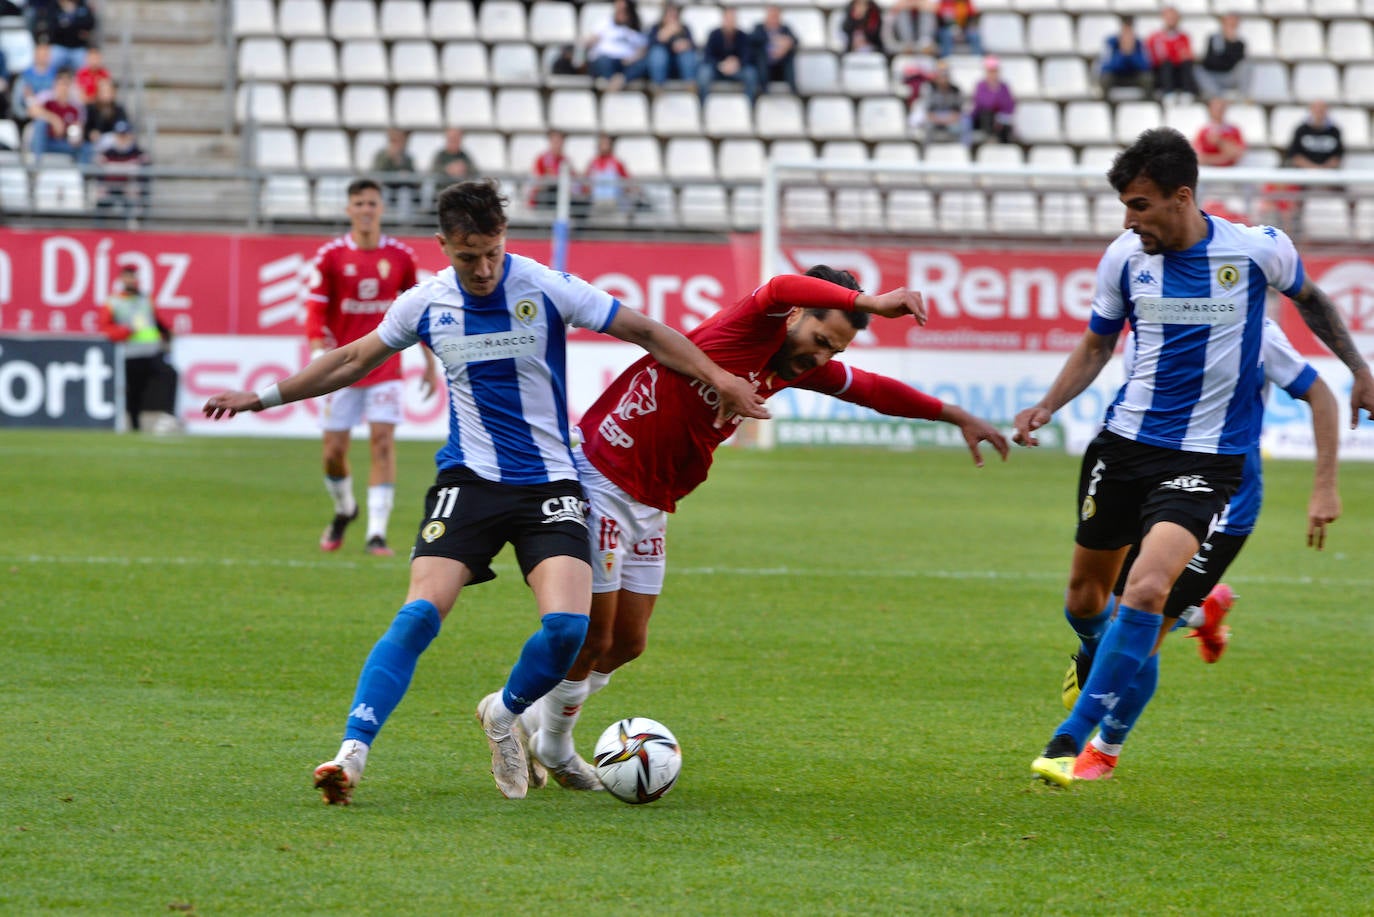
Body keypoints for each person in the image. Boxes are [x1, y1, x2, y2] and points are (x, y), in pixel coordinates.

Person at [202, 179, 769, 804]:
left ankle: (505, 713)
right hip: (468, 483)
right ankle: (350, 755)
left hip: (551, 484)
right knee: (419, 613)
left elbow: (648, 332)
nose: (482, 268)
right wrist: (262, 396)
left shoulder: (547, 286)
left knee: (567, 633)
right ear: (443, 245)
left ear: (505, 240)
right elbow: (350, 360)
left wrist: (720, 378)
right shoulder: (425, 303)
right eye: (467, 255)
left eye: (492, 252)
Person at [519, 266, 1011, 788]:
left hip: (653, 499)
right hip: (603, 476)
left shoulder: (797, 365)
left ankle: (525, 716)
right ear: (797, 315)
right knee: (594, 636)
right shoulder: (753, 327)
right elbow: (779, 285)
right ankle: (554, 746)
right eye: (821, 339)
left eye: (834, 351)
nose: (821, 357)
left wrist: (955, 414)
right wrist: (871, 302)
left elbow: (869, 389)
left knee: (629, 643)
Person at [1013, 127, 1374, 788]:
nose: (1130, 218)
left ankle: (1076, 736)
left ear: (1182, 196)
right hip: (1123, 447)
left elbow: (1314, 305)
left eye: (1141, 204)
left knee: (1146, 592)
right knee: (1085, 601)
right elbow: (1096, 346)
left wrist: (1358, 368)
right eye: (1125, 204)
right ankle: (1108, 659)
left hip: (1208, 465)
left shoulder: (1258, 251)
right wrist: (1048, 404)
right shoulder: (1123, 257)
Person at [1068, 318, 1341, 781]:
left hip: (1224, 498)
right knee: (1119, 613)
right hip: (1155, 487)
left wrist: (1324, 486)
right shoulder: (1148, 326)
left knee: (1142, 635)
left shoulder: (1255, 327)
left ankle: (1103, 751)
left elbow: (1317, 390)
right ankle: (1201, 613)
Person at [305, 177, 438, 557]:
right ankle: (345, 508)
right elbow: (315, 310)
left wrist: (429, 363)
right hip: (341, 367)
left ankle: (376, 533)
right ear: (349, 209)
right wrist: (318, 352)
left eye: (372, 204)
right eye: (359, 203)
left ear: (381, 209)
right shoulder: (330, 256)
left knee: (382, 444)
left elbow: (418, 314)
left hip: (384, 367)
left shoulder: (400, 257)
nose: (366, 210)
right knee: (333, 450)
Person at [99, 265, 180, 432]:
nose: (130, 280)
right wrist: (126, 332)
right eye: (127, 277)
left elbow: (155, 320)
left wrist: (167, 332)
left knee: (170, 374)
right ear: (121, 279)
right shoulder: (113, 301)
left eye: (133, 277)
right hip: (131, 354)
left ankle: (169, 415)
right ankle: (135, 427)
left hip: (152, 351)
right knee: (135, 391)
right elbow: (106, 328)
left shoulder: (145, 298)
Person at [697, 7, 760, 105]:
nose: (730, 22)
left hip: (737, 70)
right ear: (723, 20)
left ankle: (750, 106)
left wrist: (737, 63)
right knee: (704, 73)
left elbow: (748, 55)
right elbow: (707, 55)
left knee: (751, 73)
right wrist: (720, 64)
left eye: (732, 19)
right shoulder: (714, 34)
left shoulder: (742, 36)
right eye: (728, 19)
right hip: (718, 69)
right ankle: (702, 105)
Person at [584, 0, 648, 92]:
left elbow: (643, 49)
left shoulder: (635, 30)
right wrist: (590, 41)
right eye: (618, 10)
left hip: (626, 63)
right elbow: (590, 41)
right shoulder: (605, 23)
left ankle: (621, 80)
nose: (620, 13)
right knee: (603, 60)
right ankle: (614, 81)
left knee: (644, 64)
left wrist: (633, 58)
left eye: (624, 11)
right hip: (607, 60)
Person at [27, 66, 88, 162]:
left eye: (66, 84)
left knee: (86, 148)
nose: (63, 87)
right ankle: (36, 166)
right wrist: (54, 119)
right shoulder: (47, 98)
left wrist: (75, 134)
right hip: (45, 141)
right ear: (55, 84)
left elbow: (79, 127)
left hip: (63, 142)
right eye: (61, 83)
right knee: (40, 123)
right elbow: (32, 111)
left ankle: (83, 175)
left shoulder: (75, 106)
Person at [93, 119, 150, 216]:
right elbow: (98, 164)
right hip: (111, 184)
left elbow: (143, 167)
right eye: (119, 136)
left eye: (124, 135)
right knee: (100, 192)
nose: (122, 139)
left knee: (134, 191)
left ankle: (133, 224)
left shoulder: (137, 152)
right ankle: (101, 225)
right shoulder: (108, 152)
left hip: (128, 185)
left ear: (130, 136)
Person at [1144, 5, 1198, 100]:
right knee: (1166, 64)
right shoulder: (1155, 37)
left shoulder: (1184, 37)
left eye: (1174, 18)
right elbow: (1157, 58)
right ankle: (1167, 93)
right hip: (1162, 73)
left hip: (1178, 72)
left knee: (1186, 64)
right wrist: (1176, 55)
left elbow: (1187, 56)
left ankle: (1187, 92)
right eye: (1169, 18)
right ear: (1163, 18)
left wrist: (1174, 55)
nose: (1171, 20)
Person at [643, 3, 697, 89]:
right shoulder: (656, 28)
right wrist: (665, 34)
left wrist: (685, 45)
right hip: (660, 66)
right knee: (658, 53)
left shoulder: (684, 29)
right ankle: (657, 87)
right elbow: (649, 45)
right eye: (670, 15)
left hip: (679, 65)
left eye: (675, 16)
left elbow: (693, 45)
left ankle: (690, 86)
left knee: (687, 55)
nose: (672, 18)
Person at [909, 58, 963, 143]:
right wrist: (940, 120)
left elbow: (957, 113)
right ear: (937, 75)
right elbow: (928, 113)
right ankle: (927, 152)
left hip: (949, 118)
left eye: (945, 73)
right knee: (928, 127)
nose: (943, 77)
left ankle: (959, 151)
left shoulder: (955, 90)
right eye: (941, 73)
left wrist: (946, 120)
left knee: (960, 127)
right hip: (934, 118)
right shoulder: (929, 89)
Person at [964, 55, 1014, 146]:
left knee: (1005, 125)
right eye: (990, 71)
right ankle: (989, 138)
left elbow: (1009, 106)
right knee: (987, 114)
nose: (993, 74)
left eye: (995, 71)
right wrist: (996, 95)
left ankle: (1004, 148)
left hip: (998, 120)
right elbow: (982, 103)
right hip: (980, 119)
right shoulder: (981, 85)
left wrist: (998, 114)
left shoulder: (1004, 87)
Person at [1195, 13, 1247, 101]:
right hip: (1212, 76)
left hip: (1229, 77)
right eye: (1228, 24)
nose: (1230, 27)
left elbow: (1234, 63)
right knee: (1197, 70)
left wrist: (1230, 43)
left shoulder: (1239, 43)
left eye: (1233, 25)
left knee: (1246, 65)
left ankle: (1243, 95)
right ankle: (1218, 96)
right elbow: (1209, 61)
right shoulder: (1213, 38)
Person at [370, 127, 420, 218]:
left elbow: (414, 177)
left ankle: (403, 223)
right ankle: (382, 219)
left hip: (402, 188)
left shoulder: (407, 157)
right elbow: (377, 172)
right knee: (384, 193)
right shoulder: (381, 155)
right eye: (393, 141)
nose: (397, 144)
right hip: (385, 187)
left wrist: (404, 171)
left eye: (399, 141)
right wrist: (389, 158)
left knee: (404, 194)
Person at [1096, 20, 1152, 98]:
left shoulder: (1139, 44)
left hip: (1134, 77)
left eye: (1130, 35)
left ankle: (1147, 101)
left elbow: (1146, 66)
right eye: (1125, 34)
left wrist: (1131, 55)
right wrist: (1122, 55)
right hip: (1116, 77)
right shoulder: (1111, 44)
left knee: (1147, 78)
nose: (1127, 38)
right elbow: (1104, 67)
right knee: (1105, 78)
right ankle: (1105, 102)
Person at [37, 0, 95, 74]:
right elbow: (53, 27)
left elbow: (90, 23)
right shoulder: (55, 5)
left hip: (78, 47)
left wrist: (69, 20)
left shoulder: (82, 4)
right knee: (51, 65)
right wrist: (76, 26)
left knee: (84, 69)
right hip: (59, 46)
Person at [751, 5, 798, 95]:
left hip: (780, 67)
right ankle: (764, 89)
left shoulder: (785, 29)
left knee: (790, 55)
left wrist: (787, 44)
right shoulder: (759, 28)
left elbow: (795, 40)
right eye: (771, 16)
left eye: (776, 16)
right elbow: (753, 39)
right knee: (761, 56)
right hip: (764, 67)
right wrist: (772, 41)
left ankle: (793, 89)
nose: (773, 19)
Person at [1285, 99, 1343, 172]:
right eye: (1317, 109)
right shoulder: (1301, 130)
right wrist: (1312, 168)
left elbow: (1338, 156)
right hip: (1303, 173)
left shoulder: (1335, 131)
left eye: (1322, 109)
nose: (1319, 112)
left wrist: (1323, 169)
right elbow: (1294, 155)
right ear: (1311, 110)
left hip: (1328, 174)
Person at [585, 132, 636, 212]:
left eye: (606, 143)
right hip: (596, 203)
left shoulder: (617, 163)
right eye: (602, 143)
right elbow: (586, 183)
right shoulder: (593, 163)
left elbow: (627, 182)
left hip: (614, 203)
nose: (604, 146)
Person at [528, 128, 575, 210]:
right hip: (544, 196)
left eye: (560, 141)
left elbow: (572, 180)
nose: (558, 144)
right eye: (555, 141)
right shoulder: (541, 159)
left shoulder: (566, 160)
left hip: (559, 196)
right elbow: (538, 182)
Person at [1192, 97, 1245, 168]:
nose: (1218, 111)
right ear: (1210, 110)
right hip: (1210, 172)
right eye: (1216, 108)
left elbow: (1238, 154)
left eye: (1221, 108)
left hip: (1231, 171)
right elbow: (1198, 157)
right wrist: (1223, 158)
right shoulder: (1203, 131)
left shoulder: (1234, 130)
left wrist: (1220, 142)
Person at [12, 40, 57, 122]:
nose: (43, 57)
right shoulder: (25, 75)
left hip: (53, 114)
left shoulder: (56, 74)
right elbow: (17, 102)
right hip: (31, 117)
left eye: (45, 54)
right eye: (40, 54)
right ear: (35, 55)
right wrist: (26, 114)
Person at [82, 75, 126, 150]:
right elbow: (85, 129)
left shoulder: (118, 109)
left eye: (108, 91)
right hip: (95, 144)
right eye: (103, 91)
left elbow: (124, 126)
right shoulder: (91, 108)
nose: (106, 94)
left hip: (116, 145)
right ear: (98, 92)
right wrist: (91, 133)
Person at [429, 126, 477, 195]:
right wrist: (447, 169)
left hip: (461, 193)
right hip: (442, 192)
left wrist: (464, 169)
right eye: (451, 139)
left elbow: (475, 171)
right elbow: (432, 170)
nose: (454, 141)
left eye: (456, 138)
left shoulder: (465, 155)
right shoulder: (440, 155)